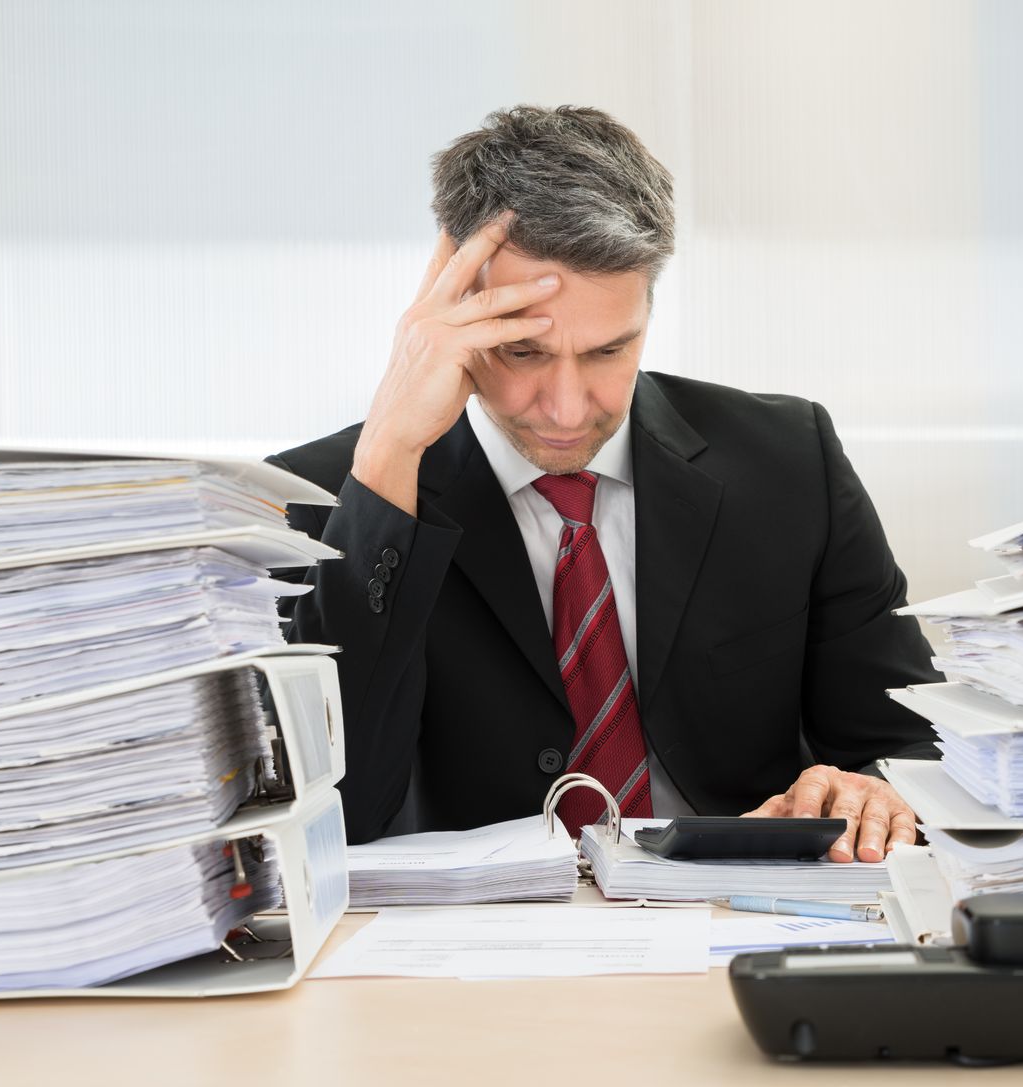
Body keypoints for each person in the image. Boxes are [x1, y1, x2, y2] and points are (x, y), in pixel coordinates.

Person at [271, 105, 937, 860]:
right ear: (448, 310)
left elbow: (912, 743)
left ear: (648, 307)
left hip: (737, 918)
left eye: (606, 352)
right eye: (521, 352)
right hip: (471, 952)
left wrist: (873, 787)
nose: (563, 407)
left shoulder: (788, 461)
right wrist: (389, 458)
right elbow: (332, 809)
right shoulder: (326, 495)